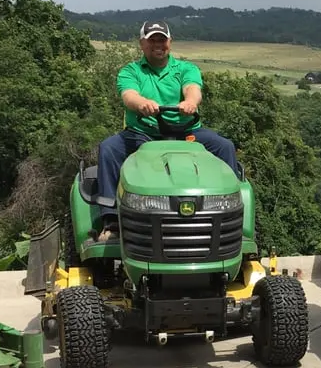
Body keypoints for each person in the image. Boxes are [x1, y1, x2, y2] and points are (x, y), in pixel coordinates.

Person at [95, 19, 238, 242]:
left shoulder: (185, 69)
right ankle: (111, 219)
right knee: (109, 148)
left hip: (186, 132)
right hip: (143, 132)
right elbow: (128, 95)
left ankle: (230, 214)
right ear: (142, 44)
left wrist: (190, 102)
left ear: (170, 42)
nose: (158, 44)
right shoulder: (131, 71)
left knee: (224, 146)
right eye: (152, 41)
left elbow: (193, 88)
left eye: (162, 39)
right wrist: (141, 103)